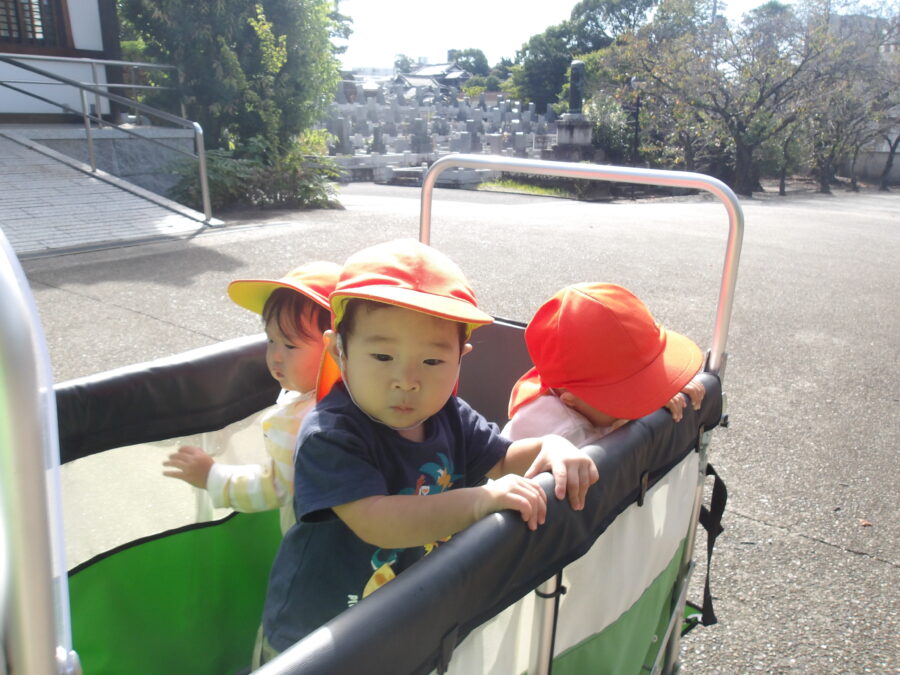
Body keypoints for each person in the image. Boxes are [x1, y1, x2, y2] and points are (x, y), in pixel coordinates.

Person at [258, 239, 599, 659]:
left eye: (432, 362)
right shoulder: (330, 434)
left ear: (461, 358)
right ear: (338, 350)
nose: (407, 380)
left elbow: (501, 459)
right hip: (316, 633)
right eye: (382, 356)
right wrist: (481, 501)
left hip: (403, 618)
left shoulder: (451, 416)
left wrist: (551, 445)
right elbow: (378, 521)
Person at [162, 260, 341, 533]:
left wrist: (212, 476)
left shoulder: (305, 421)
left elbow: (276, 485)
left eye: (290, 345)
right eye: (270, 340)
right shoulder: (364, 397)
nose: (275, 356)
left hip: (314, 545)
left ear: (337, 348)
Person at [503, 282, 706, 446]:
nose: (642, 398)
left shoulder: (580, 399)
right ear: (571, 401)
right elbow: (606, 467)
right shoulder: (562, 433)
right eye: (629, 396)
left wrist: (662, 387)